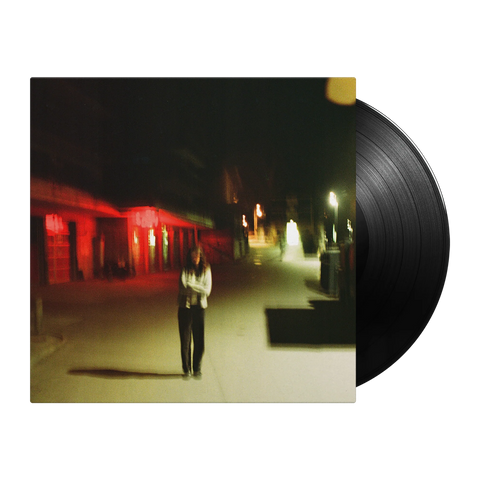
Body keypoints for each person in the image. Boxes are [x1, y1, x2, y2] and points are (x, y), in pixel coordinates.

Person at [178, 245, 212, 378]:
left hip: (199, 308)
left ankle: (197, 369)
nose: (195, 258)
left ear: (201, 256)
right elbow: (182, 287)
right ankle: (186, 369)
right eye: (193, 256)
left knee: (199, 341)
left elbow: (207, 290)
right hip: (185, 308)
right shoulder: (185, 269)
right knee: (185, 341)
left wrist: (191, 286)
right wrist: (199, 287)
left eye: (197, 256)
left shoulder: (206, 270)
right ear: (189, 257)